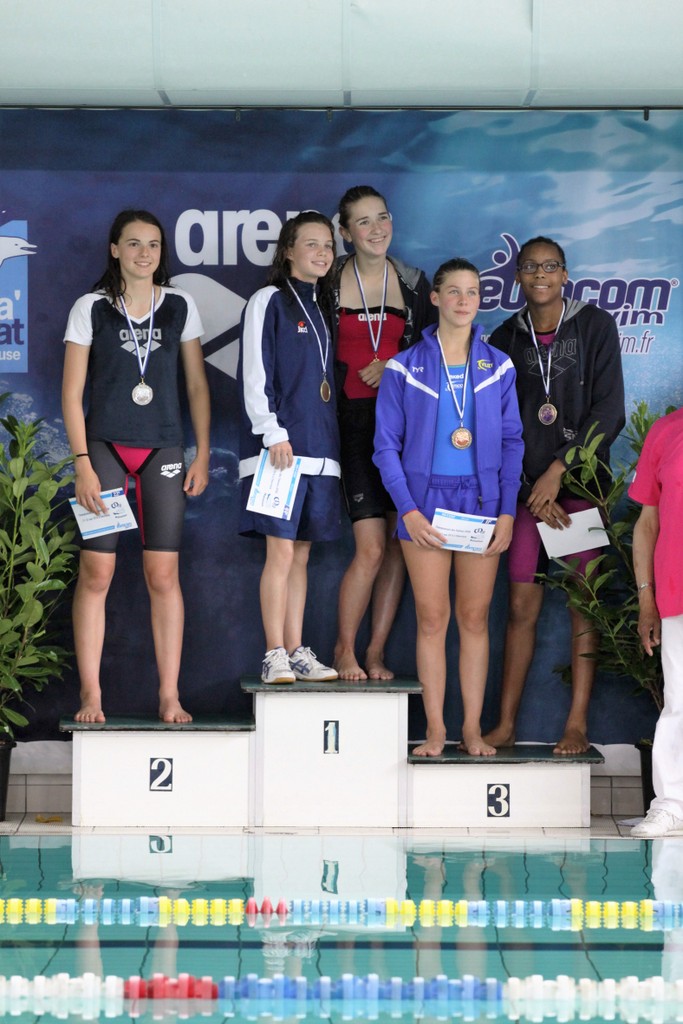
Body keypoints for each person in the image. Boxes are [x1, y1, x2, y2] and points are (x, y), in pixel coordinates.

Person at [62, 209, 211, 724]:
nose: (144, 253)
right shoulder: (91, 307)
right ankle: (91, 695)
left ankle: (169, 695)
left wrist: (202, 452)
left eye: (153, 245)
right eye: (133, 243)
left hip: (163, 449)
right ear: (114, 249)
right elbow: (72, 393)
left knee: (163, 575)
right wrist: (82, 463)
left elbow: (197, 386)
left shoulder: (180, 305)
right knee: (97, 571)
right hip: (103, 448)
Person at [373, 258, 523, 756]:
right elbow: (385, 447)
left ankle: (472, 729)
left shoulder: (497, 365)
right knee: (432, 619)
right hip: (425, 505)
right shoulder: (404, 367)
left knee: (474, 619)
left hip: (480, 504)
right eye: (454, 291)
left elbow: (512, 442)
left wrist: (506, 512)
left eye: (473, 291)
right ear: (435, 298)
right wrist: (409, 511)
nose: (464, 300)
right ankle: (437, 729)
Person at [483, 236, 625, 755]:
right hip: (528, 497)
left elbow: (610, 411)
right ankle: (505, 724)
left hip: (578, 490)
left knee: (582, 604)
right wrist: (530, 487)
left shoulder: (594, 325)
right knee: (521, 606)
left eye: (550, 266)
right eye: (530, 267)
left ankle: (577, 724)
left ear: (565, 274)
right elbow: (497, 421)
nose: (540, 274)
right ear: (517, 276)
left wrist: (559, 473)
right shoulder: (505, 337)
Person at [332, 185, 435, 681]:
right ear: (345, 232)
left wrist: (393, 362)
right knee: (370, 547)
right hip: (351, 426)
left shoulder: (413, 282)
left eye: (382, 217)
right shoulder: (327, 280)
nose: (377, 229)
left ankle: (374, 652)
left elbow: (435, 348)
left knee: (397, 544)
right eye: (364, 221)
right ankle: (344, 650)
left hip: (403, 428)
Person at [238, 211, 342, 685]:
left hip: (320, 451)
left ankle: (297, 650)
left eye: (328, 245)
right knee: (279, 553)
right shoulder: (269, 300)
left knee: (301, 555)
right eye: (311, 244)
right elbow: (255, 370)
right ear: (287, 250)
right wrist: (271, 431)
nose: (322, 253)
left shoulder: (323, 306)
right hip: (278, 450)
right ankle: (273, 652)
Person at [629, 407, 683, 837]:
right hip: (675, 590)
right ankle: (671, 805)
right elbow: (647, 524)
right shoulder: (666, 431)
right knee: (679, 701)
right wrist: (646, 598)